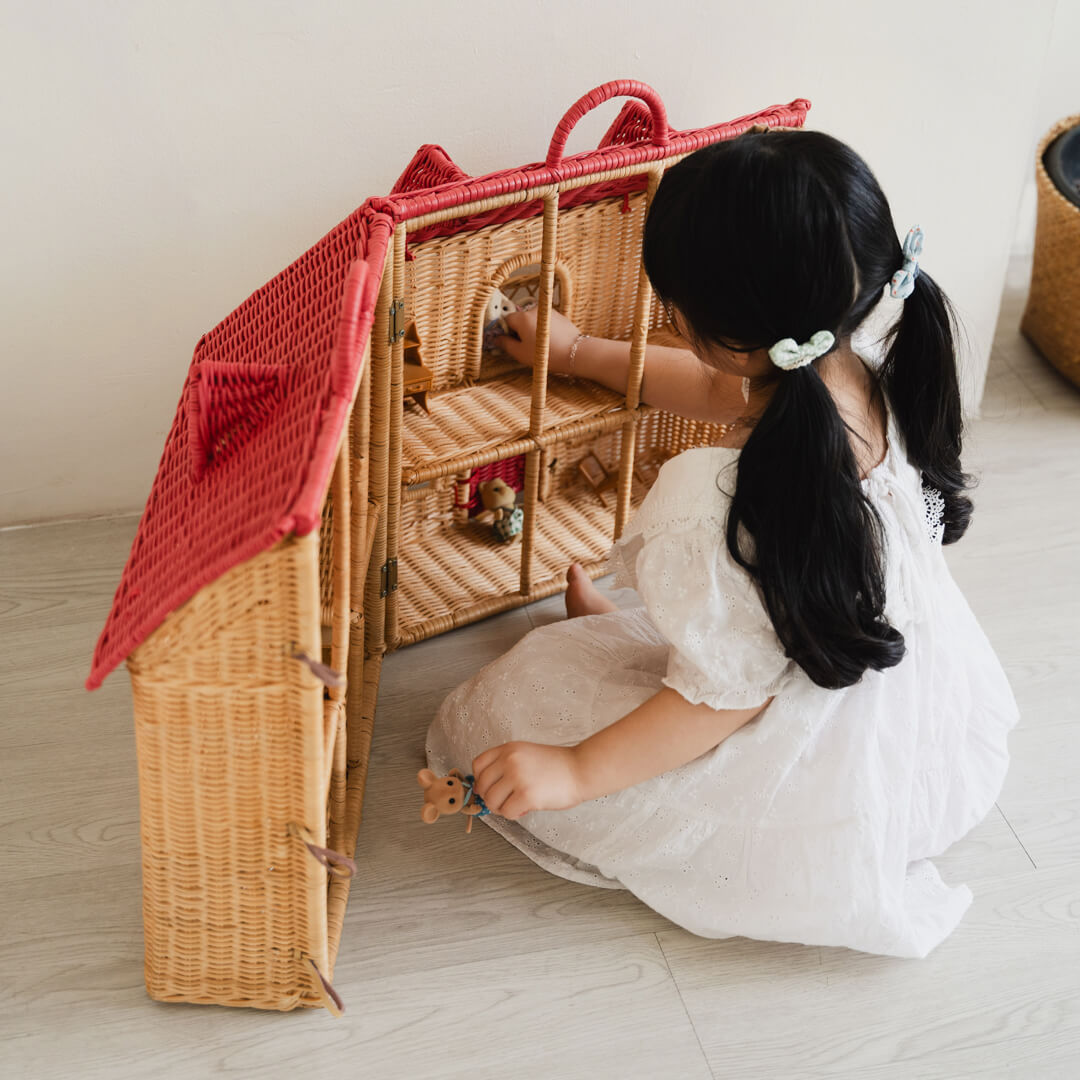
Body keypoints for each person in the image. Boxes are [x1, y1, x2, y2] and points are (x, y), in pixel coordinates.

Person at [424, 129, 1019, 958]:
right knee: (682, 644)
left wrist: (578, 770)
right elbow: (718, 386)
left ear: (732, 337)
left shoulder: (724, 500)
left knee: (519, 700)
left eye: (673, 310)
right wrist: (576, 354)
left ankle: (663, 660)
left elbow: (726, 702)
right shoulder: (862, 366)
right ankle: (672, 642)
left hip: (810, 751)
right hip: (908, 712)